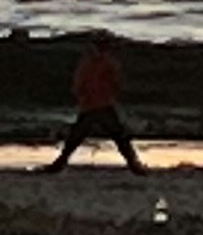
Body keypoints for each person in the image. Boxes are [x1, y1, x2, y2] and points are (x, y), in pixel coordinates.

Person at [50, 32, 144, 174]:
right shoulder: (99, 63)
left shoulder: (100, 63)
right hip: (95, 104)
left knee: (86, 135)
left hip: (98, 104)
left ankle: (59, 163)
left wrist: (85, 94)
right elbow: (115, 83)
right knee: (114, 135)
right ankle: (134, 165)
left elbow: (113, 82)